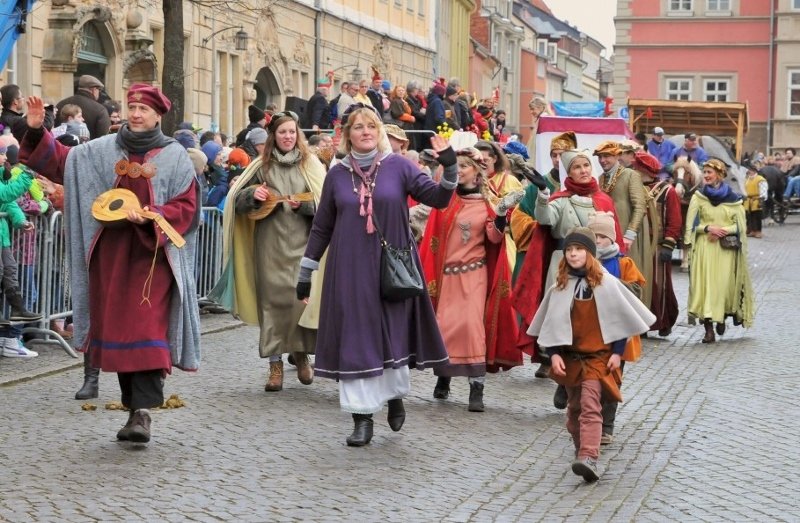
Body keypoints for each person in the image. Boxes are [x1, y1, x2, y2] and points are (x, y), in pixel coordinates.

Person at [20, 86, 201, 443]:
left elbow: (188, 206)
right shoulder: (102, 150)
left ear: (157, 116)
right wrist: (37, 130)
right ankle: (133, 407)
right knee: (119, 333)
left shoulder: (175, 156)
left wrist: (154, 215)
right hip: (111, 258)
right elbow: (62, 161)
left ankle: (142, 413)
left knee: (147, 332)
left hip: (153, 260)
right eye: (131, 107)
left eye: (143, 109)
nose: (136, 114)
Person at [295, 104, 458, 447]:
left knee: (391, 336)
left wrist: (450, 166)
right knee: (356, 338)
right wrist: (306, 271)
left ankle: (394, 396)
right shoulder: (337, 174)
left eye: (371, 125)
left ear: (380, 132)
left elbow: (438, 198)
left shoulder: (399, 166)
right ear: (347, 134)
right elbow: (322, 227)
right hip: (349, 269)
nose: (365, 131)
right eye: (358, 127)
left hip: (392, 268)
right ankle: (362, 417)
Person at [527, 227, 655, 482]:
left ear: (590, 253)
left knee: (590, 406)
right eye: (570, 250)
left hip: (598, 357)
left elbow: (619, 320)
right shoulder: (560, 286)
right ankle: (581, 449)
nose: (574, 254)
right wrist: (553, 355)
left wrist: (617, 353)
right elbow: (552, 324)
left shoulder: (606, 284)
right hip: (572, 358)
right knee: (574, 414)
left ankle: (589, 456)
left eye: (579, 250)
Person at [211, 110, 325, 392]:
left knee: (300, 303)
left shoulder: (310, 165)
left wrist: (306, 205)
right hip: (268, 246)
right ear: (274, 137)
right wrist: (253, 196)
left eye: (292, 132)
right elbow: (236, 202)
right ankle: (275, 365)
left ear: (298, 136)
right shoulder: (261, 166)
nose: (288, 137)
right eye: (282, 132)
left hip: (303, 246)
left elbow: (326, 203)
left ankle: (301, 356)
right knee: (272, 303)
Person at [513, 149, 623, 405]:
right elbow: (545, 219)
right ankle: (563, 378)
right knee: (565, 322)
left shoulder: (604, 200)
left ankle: (584, 377)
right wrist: (542, 194)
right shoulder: (561, 200)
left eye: (586, 165)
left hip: (596, 268)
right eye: (577, 167)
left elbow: (613, 236)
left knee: (588, 323)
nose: (584, 170)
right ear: (568, 173)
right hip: (563, 265)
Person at [419, 147, 519, 412]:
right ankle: (444, 375)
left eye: (465, 166)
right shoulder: (445, 202)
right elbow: (432, 239)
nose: (460, 170)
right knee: (445, 327)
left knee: (472, 328)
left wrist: (500, 215)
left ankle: (477, 387)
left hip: (475, 274)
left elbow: (495, 239)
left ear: (477, 173)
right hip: (446, 277)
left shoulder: (488, 204)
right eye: (458, 166)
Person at [586, 211, 646, 447]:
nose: (598, 239)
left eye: (602, 235)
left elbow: (637, 292)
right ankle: (587, 419)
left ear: (612, 238)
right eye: (594, 235)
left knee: (611, 378)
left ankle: (606, 425)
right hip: (588, 329)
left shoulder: (623, 263)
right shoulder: (580, 261)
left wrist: (610, 282)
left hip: (616, 333)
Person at [683, 159, 755, 343]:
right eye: (704, 172)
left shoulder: (733, 199)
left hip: (725, 250)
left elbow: (740, 225)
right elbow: (690, 225)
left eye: (709, 172)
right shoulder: (698, 196)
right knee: (706, 287)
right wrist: (707, 229)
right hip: (705, 248)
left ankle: (721, 316)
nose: (706, 175)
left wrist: (723, 230)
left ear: (720, 175)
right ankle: (709, 329)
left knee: (722, 286)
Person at [594, 141, 653, 310]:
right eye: (600, 157)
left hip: (628, 235)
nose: (603, 160)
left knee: (631, 273)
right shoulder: (600, 179)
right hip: (609, 236)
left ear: (617, 156)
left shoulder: (630, 175)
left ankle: (636, 313)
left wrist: (630, 234)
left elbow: (640, 205)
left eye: (607, 156)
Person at [632, 151, 682, 337]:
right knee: (639, 282)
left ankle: (664, 319)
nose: (634, 170)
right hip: (637, 243)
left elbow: (675, 220)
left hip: (658, 244)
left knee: (660, 284)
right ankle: (641, 322)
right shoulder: (633, 188)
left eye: (636, 168)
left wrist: (668, 245)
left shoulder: (667, 191)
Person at [55, 75, 111, 139]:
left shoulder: (60, 104)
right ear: (94, 90)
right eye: (99, 90)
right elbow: (105, 137)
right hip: (90, 148)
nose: (99, 93)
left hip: (62, 147)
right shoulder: (100, 110)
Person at [743, 161, 768, 238]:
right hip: (748, 200)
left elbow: (763, 190)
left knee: (756, 217)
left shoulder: (760, 179)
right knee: (749, 217)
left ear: (754, 171)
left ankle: (758, 231)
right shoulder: (746, 179)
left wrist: (761, 199)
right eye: (748, 170)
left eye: (750, 170)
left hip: (756, 200)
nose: (749, 172)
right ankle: (751, 230)